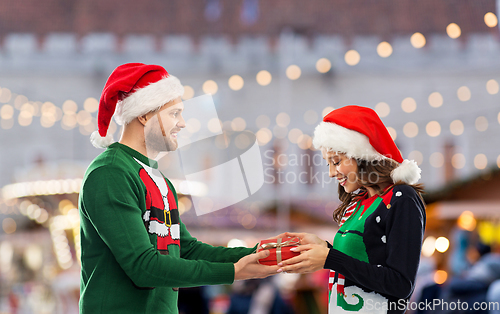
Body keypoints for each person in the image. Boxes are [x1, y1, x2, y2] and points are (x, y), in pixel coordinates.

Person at [78, 63, 277, 313]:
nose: (182, 123)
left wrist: (259, 253)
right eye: (174, 113)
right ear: (144, 114)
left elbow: (186, 249)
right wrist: (233, 271)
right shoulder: (110, 173)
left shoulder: (157, 177)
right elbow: (143, 267)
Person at [277, 106, 426, 314]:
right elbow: (364, 261)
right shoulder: (359, 202)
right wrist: (326, 249)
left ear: (360, 155)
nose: (330, 173)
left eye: (336, 162)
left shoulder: (401, 198)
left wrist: (329, 258)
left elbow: (400, 284)